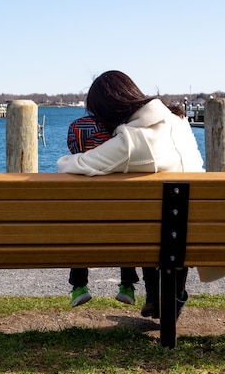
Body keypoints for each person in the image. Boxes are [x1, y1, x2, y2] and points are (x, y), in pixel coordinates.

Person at [57, 70, 205, 320]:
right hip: (198, 232)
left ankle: (164, 297)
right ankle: (170, 295)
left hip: (164, 237)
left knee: (152, 225)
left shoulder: (131, 140)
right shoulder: (178, 121)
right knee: (171, 222)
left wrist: (74, 155)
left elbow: (75, 165)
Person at [65, 115, 140, 307]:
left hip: (85, 233)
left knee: (78, 232)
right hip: (119, 232)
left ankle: (79, 287)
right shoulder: (121, 171)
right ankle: (127, 285)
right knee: (127, 228)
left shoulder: (70, 170)